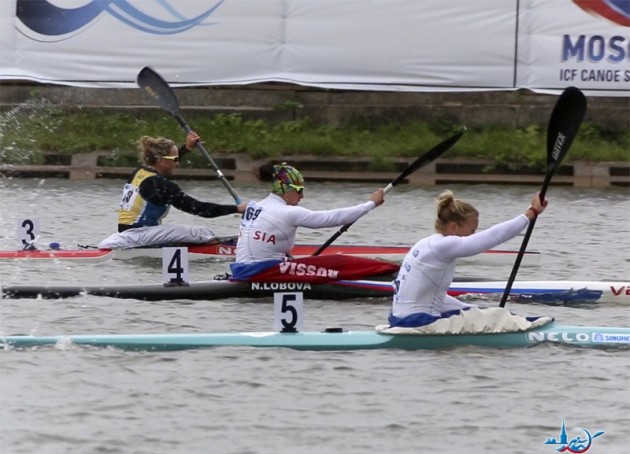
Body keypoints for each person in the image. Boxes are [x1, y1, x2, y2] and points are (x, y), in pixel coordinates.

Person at [389, 190, 547, 327]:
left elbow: (436, 298)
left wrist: (476, 311)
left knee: (485, 314)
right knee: (496, 318)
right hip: (419, 322)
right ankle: (532, 327)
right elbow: (494, 236)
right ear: (453, 227)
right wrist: (530, 213)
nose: (473, 236)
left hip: (398, 318)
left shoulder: (424, 244)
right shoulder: (443, 246)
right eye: (472, 231)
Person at [229, 162, 391, 280]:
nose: (302, 196)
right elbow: (333, 218)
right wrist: (371, 204)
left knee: (316, 262)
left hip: (242, 270)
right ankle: (390, 271)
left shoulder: (253, 206)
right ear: (286, 190)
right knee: (339, 261)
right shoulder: (287, 212)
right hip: (262, 272)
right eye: (299, 191)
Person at [98, 133, 247, 249]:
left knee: (186, 233)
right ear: (162, 160)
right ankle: (219, 250)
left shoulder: (140, 171)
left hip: (127, 234)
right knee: (202, 233)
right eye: (175, 159)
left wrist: (186, 148)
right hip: (140, 235)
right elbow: (198, 209)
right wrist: (236, 209)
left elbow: (165, 162)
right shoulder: (161, 185)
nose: (178, 163)